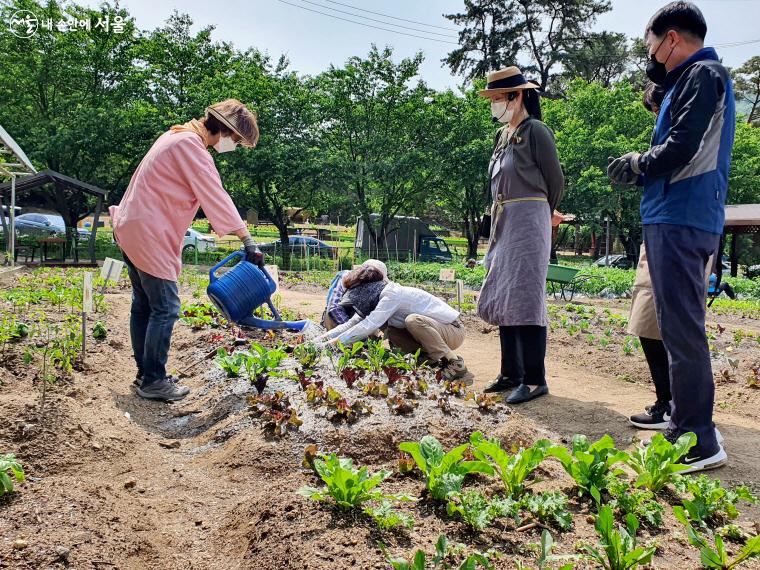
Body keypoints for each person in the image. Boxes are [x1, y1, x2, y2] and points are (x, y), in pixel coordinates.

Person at [608, 1, 735, 472]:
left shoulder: (705, 76)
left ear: (673, 38)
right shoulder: (691, 80)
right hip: (676, 215)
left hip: (682, 216)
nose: (653, 56)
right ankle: (688, 423)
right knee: (678, 327)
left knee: (682, 331)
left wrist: (637, 162)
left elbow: (683, 147)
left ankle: (697, 440)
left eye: (653, 46)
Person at [111, 99, 263, 402]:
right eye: (235, 140)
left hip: (132, 226)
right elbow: (215, 194)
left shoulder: (175, 136)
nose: (232, 146)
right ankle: (153, 380)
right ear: (224, 130)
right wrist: (248, 241)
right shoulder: (191, 148)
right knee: (166, 307)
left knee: (144, 304)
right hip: (148, 232)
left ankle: (146, 374)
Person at [476, 66, 564, 404]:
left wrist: (543, 212)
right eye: (492, 99)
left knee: (525, 295)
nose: (494, 104)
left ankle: (533, 379)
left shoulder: (536, 131)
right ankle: (510, 372)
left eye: (499, 98)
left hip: (528, 219)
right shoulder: (502, 137)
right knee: (504, 292)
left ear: (518, 96)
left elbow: (555, 180)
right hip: (504, 219)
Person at [318, 272, 469, 381]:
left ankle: (455, 363)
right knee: (390, 328)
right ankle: (429, 360)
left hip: (454, 330)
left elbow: (368, 326)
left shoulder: (391, 295)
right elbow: (352, 324)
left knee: (413, 320)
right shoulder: (375, 300)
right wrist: (320, 341)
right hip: (437, 333)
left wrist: (332, 345)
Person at [321, 259, 388, 330]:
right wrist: (351, 331)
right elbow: (333, 308)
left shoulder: (371, 286)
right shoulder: (344, 277)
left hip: (356, 321)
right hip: (337, 319)